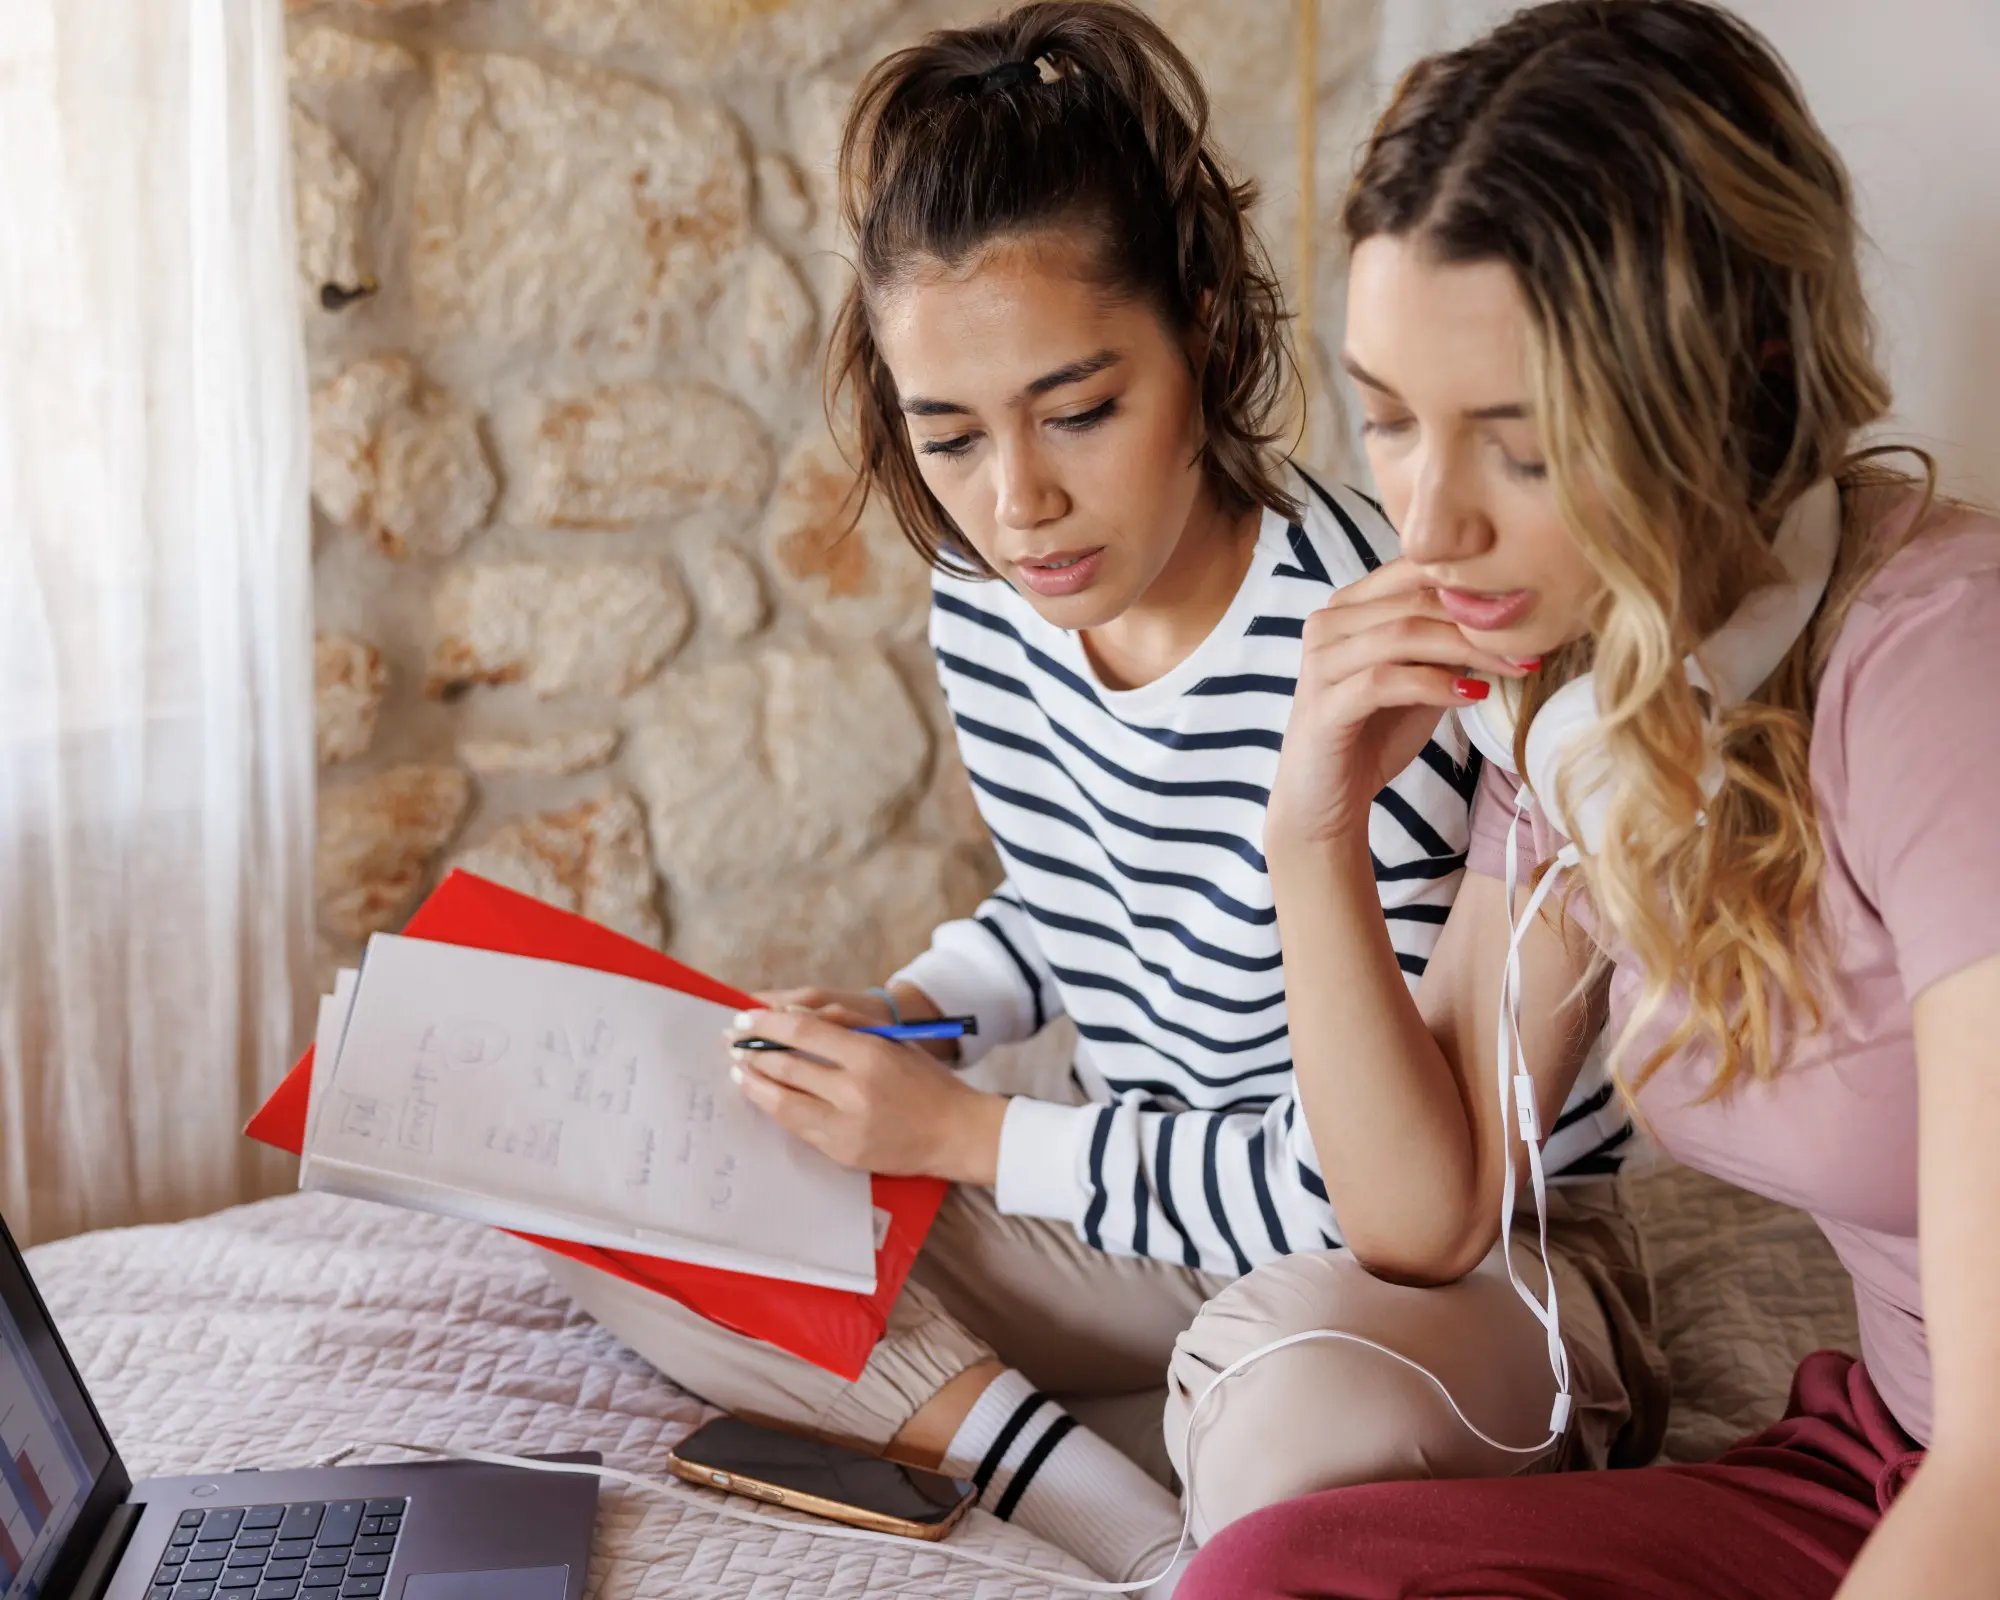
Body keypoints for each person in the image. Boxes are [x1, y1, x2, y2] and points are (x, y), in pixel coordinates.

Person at [545, 1, 1658, 1586]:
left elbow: (1379, 1191)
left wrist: (975, 1141)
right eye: (949, 437)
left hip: (1447, 1266)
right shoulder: (995, 602)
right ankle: (1113, 1517)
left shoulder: (1376, 645)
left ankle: (1181, 1454)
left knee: (1287, 1394)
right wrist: (917, 1014)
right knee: (628, 1189)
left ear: (1201, 325)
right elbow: (1087, 897)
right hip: (1158, 1205)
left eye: (1079, 411)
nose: (1021, 504)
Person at [1176, 3, 2000, 1598]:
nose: (1430, 525)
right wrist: (1312, 831)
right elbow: (1426, 1216)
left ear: (1735, 387)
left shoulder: (1943, 676)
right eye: (1394, 419)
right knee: (1271, 1576)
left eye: (1524, 447)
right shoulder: (1593, 699)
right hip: (1890, 1468)